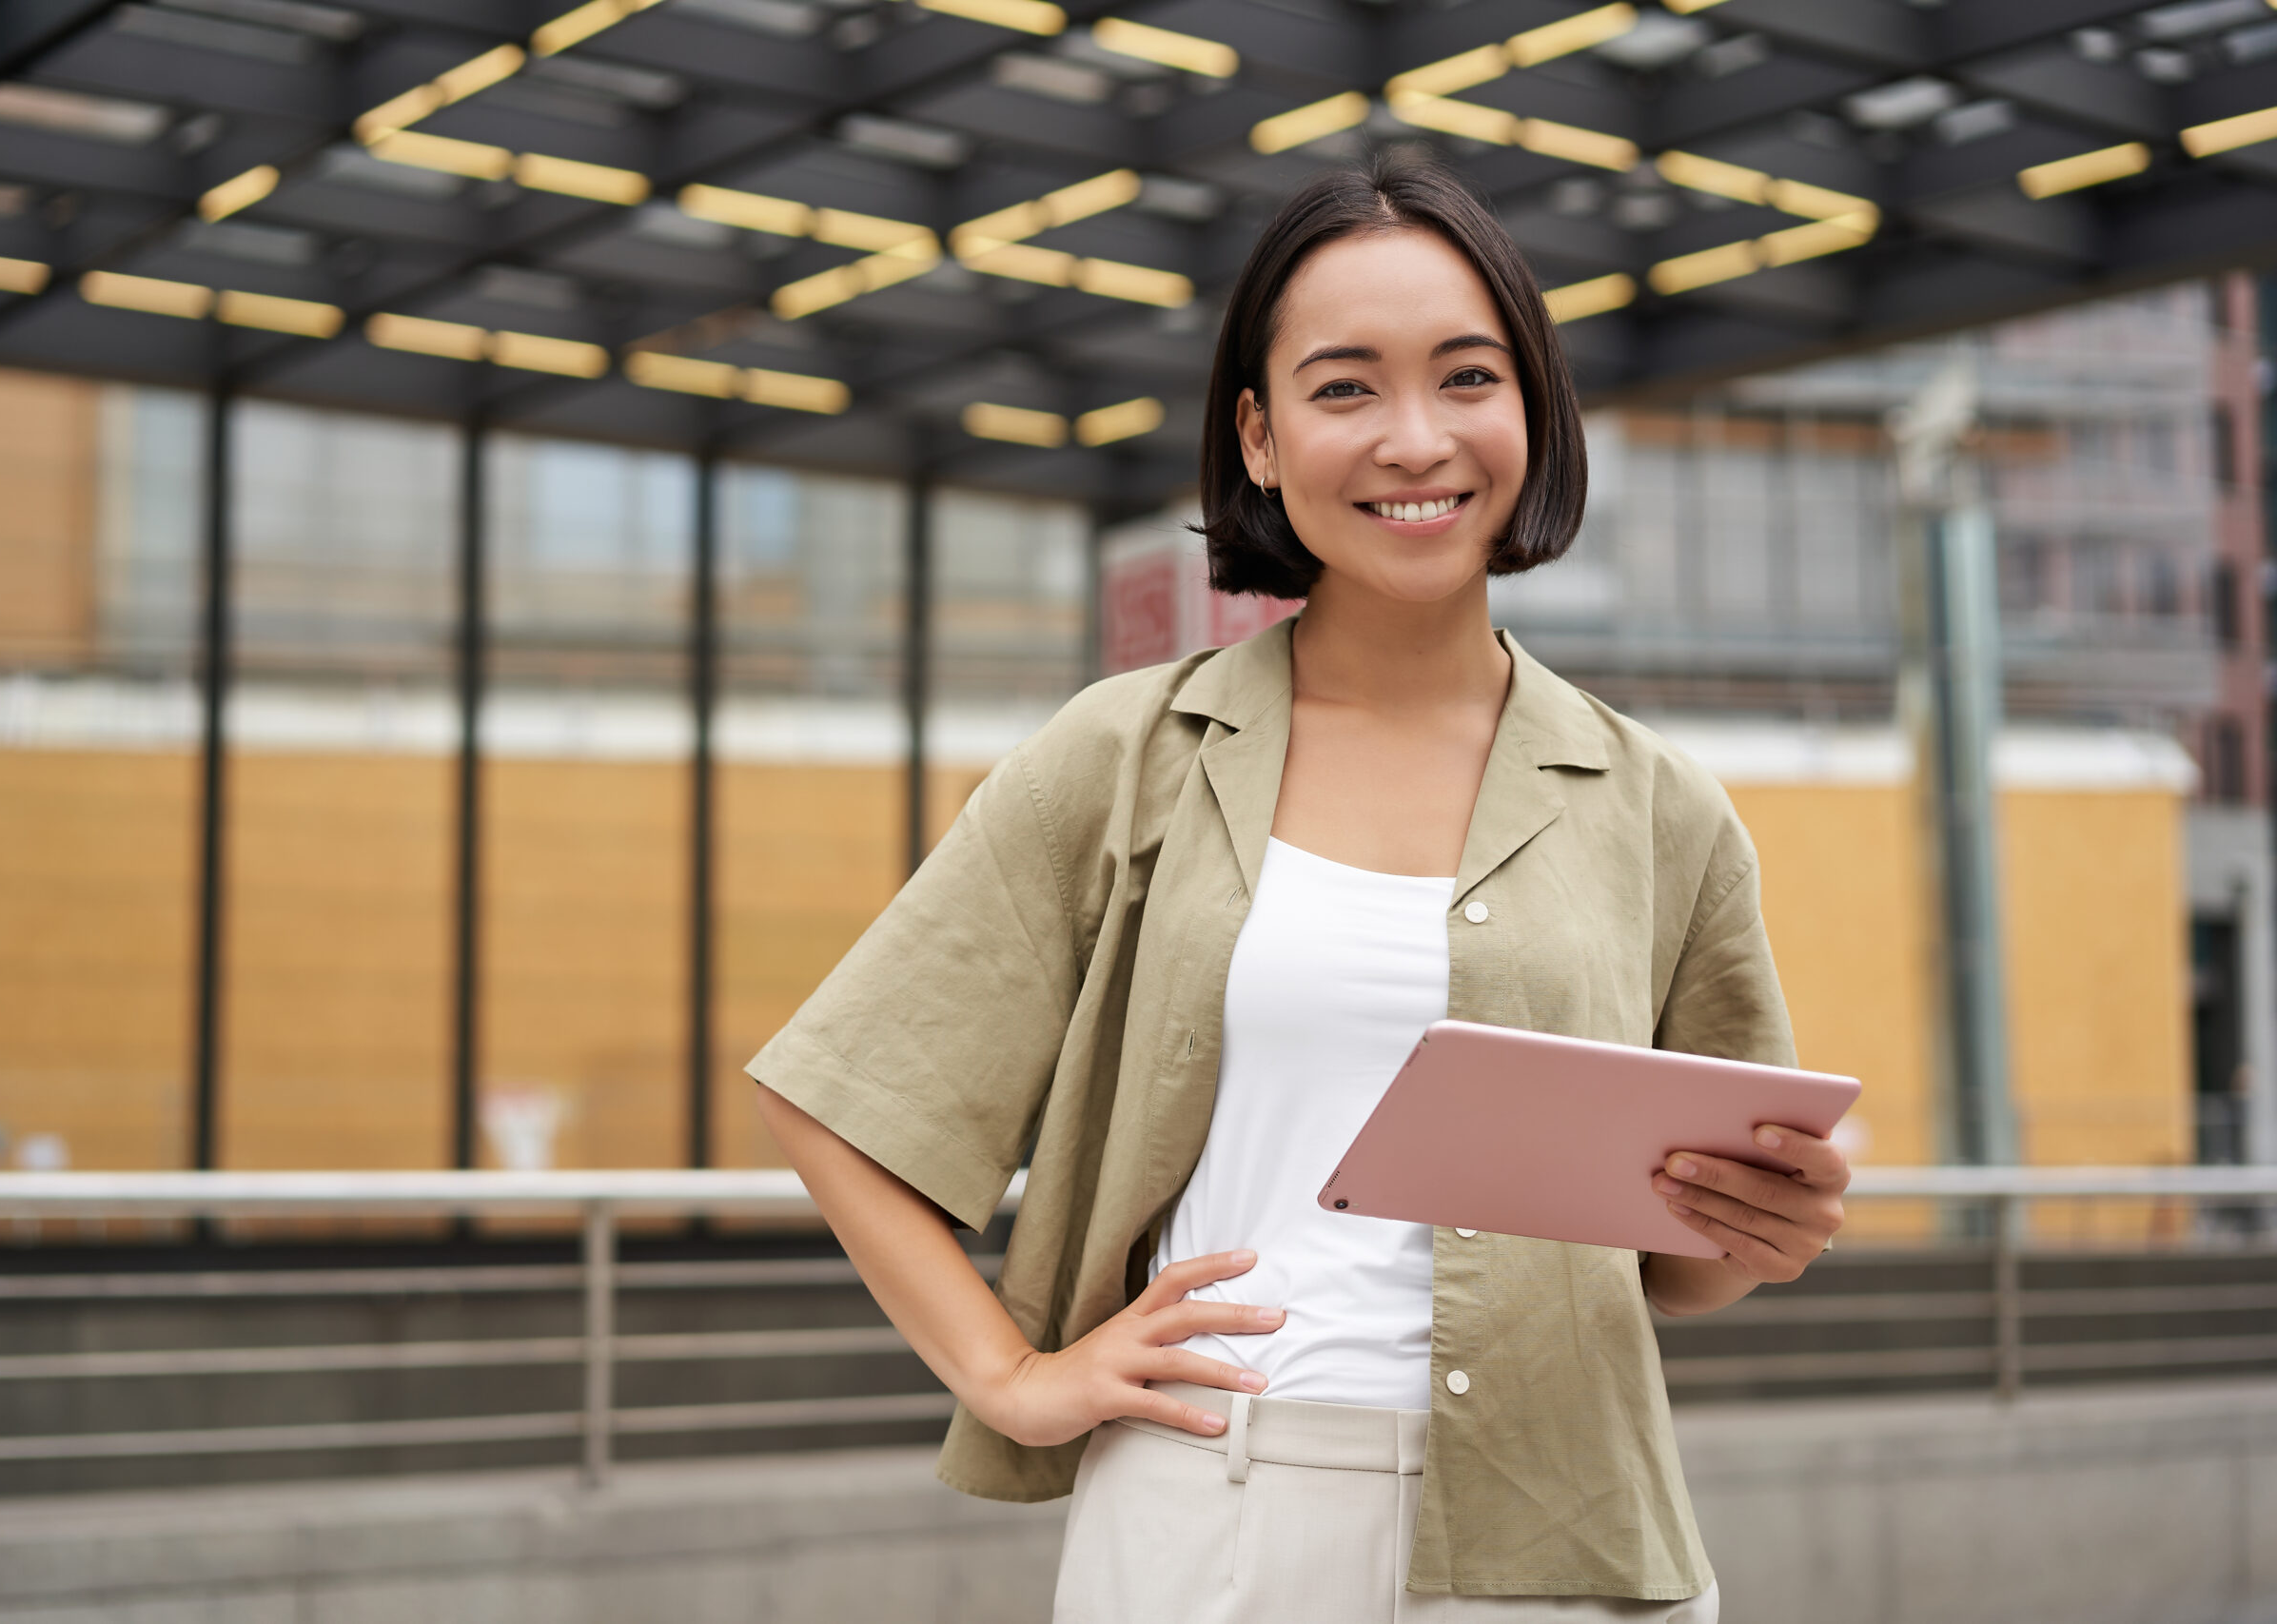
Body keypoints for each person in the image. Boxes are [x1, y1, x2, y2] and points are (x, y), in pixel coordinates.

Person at [751, 152, 1851, 1623]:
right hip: (1224, 1510)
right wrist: (1013, 1378)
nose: (1416, 439)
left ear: (1532, 410)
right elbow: (837, 1093)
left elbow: (1685, 1266)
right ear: (1260, 439)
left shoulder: (1664, 811)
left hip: (1570, 1533)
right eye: (1346, 390)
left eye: (1468, 378)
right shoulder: (1124, 755)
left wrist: (1760, 1235)